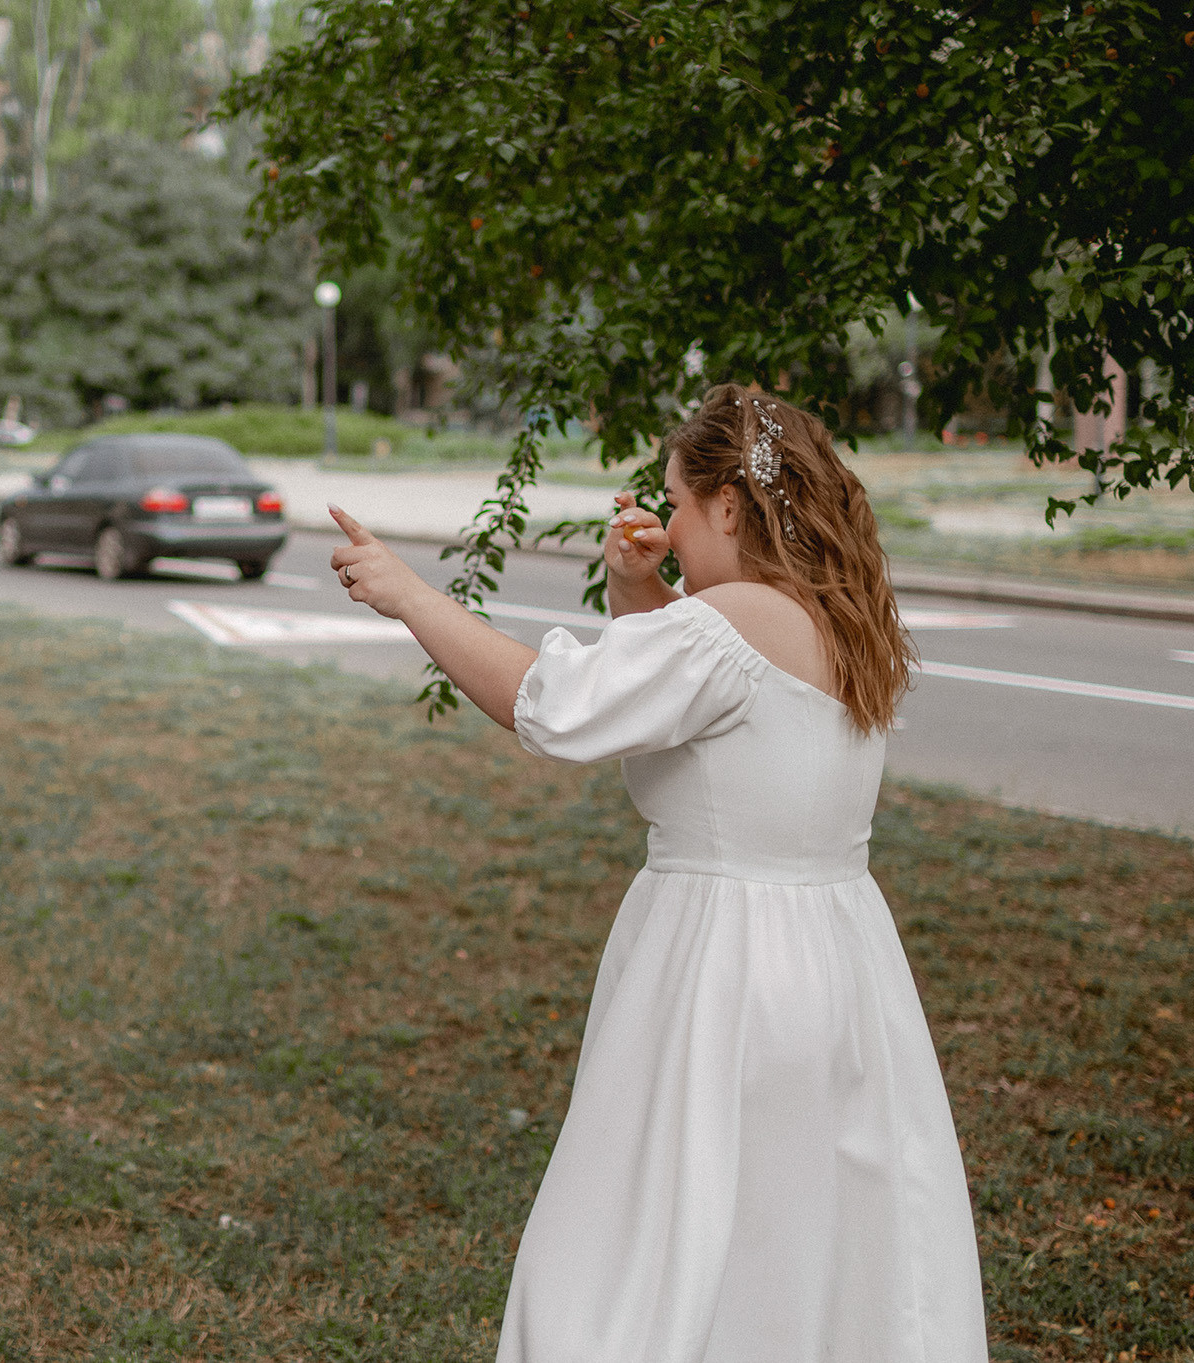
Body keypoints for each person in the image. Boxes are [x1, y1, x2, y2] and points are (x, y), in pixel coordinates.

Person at [328, 384, 986, 1362]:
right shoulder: (831, 619)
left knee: (632, 1245)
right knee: (791, 1235)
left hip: (719, 963)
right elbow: (720, 705)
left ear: (728, 502)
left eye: (675, 502)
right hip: (838, 958)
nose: (665, 524)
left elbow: (545, 707)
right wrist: (641, 593)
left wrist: (406, 592)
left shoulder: (724, 624)